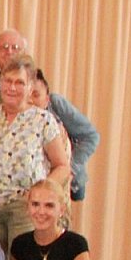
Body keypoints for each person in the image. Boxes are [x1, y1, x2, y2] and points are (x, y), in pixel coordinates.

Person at [0, 57, 71, 255]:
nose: (12, 87)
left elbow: (62, 166)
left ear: (30, 87)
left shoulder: (43, 120)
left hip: (26, 208)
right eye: (8, 81)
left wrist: (40, 193)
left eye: (19, 82)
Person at [30, 70, 99, 200]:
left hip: (64, 178)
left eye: (36, 95)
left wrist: (70, 169)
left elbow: (91, 136)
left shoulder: (55, 105)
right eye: (27, 96)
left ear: (47, 98)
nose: (30, 101)